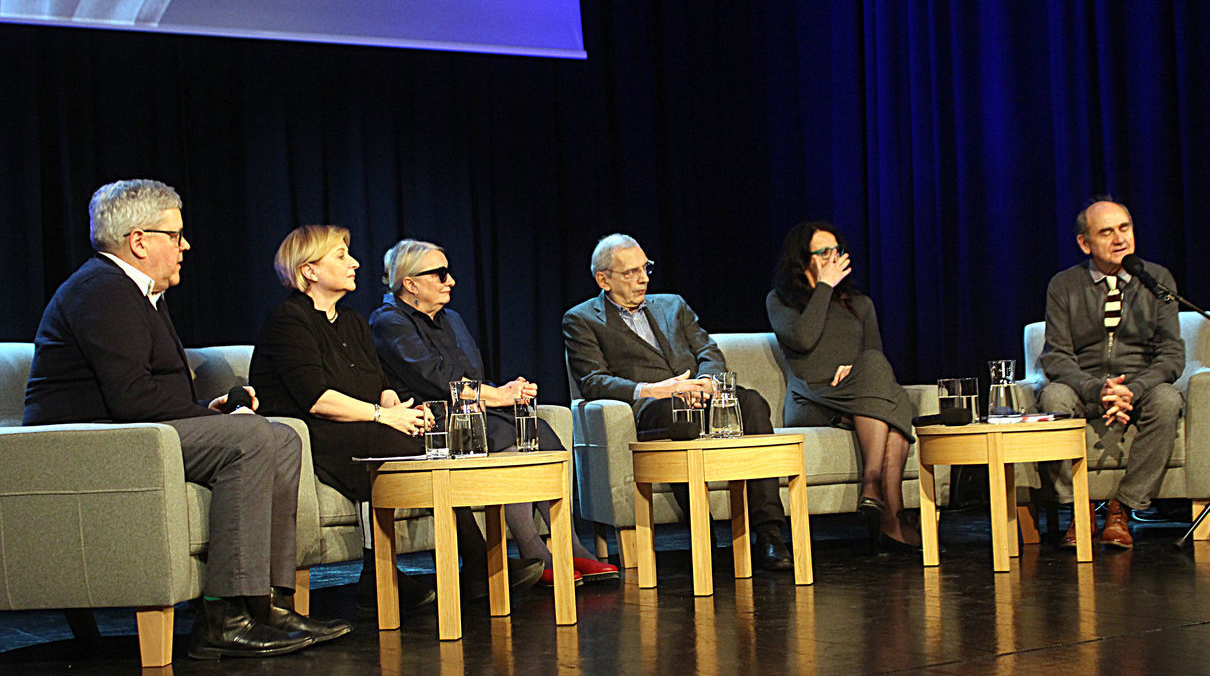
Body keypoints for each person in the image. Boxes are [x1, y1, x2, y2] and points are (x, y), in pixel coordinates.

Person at [23, 179, 350, 660]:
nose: (185, 246)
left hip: (134, 431)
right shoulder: (102, 291)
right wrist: (211, 420)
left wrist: (210, 411)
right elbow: (132, 399)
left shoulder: (138, 292)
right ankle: (223, 616)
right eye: (175, 236)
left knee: (280, 437)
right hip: (90, 446)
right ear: (139, 240)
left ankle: (269, 603)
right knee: (252, 438)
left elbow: (145, 391)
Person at [249, 226, 544, 609]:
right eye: (340, 256)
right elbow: (317, 399)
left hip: (360, 422)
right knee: (405, 443)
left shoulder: (352, 321)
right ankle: (472, 566)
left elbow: (379, 383)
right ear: (309, 271)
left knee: (435, 435)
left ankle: (411, 571)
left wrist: (398, 407)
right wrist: (382, 417)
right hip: (312, 432)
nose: (354, 263)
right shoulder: (289, 321)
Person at [369, 239, 619, 586]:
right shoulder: (389, 320)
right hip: (431, 421)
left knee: (540, 431)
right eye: (440, 274)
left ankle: (570, 544)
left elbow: (474, 375)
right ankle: (533, 550)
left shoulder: (450, 319)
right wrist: (496, 395)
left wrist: (507, 393)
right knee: (504, 435)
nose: (450, 281)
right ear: (410, 283)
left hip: (471, 413)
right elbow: (435, 379)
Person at [562, 232, 794, 571]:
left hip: (702, 397)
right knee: (679, 417)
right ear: (603, 279)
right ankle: (703, 532)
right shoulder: (581, 319)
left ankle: (769, 534)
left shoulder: (673, 304)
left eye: (646, 269)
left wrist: (707, 383)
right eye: (631, 273)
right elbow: (594, 381)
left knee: (753, 404)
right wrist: (653, 389)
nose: (643, 279)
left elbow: (707, 350)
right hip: (657, 409)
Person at [1039, 196, 1185, 549]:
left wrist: (1131, 389)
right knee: (1052, 397)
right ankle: (1080, 507)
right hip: (1085, 388)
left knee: (1167, 399)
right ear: (1085, 243)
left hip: (1140, 388)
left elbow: (1171, 355)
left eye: (1125, 228)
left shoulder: (1157, 279)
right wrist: (1098, 389)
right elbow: (1056, 357)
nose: (1120, 239)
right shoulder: (1064, 285)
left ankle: (1123, 506)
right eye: (1107, 232)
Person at [766, 221, 919, 551]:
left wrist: (858, 366)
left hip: (856, 391)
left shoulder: (859, 303)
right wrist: (823, 288)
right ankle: (886, 505)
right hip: (813, 396)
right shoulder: (781, 301)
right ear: (802, 259)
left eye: (837, 251)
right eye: (823, 252)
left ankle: (883, 506)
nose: (833, 257)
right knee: (893, 407)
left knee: (879, 371)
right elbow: (803, 340)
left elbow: (874, 354)